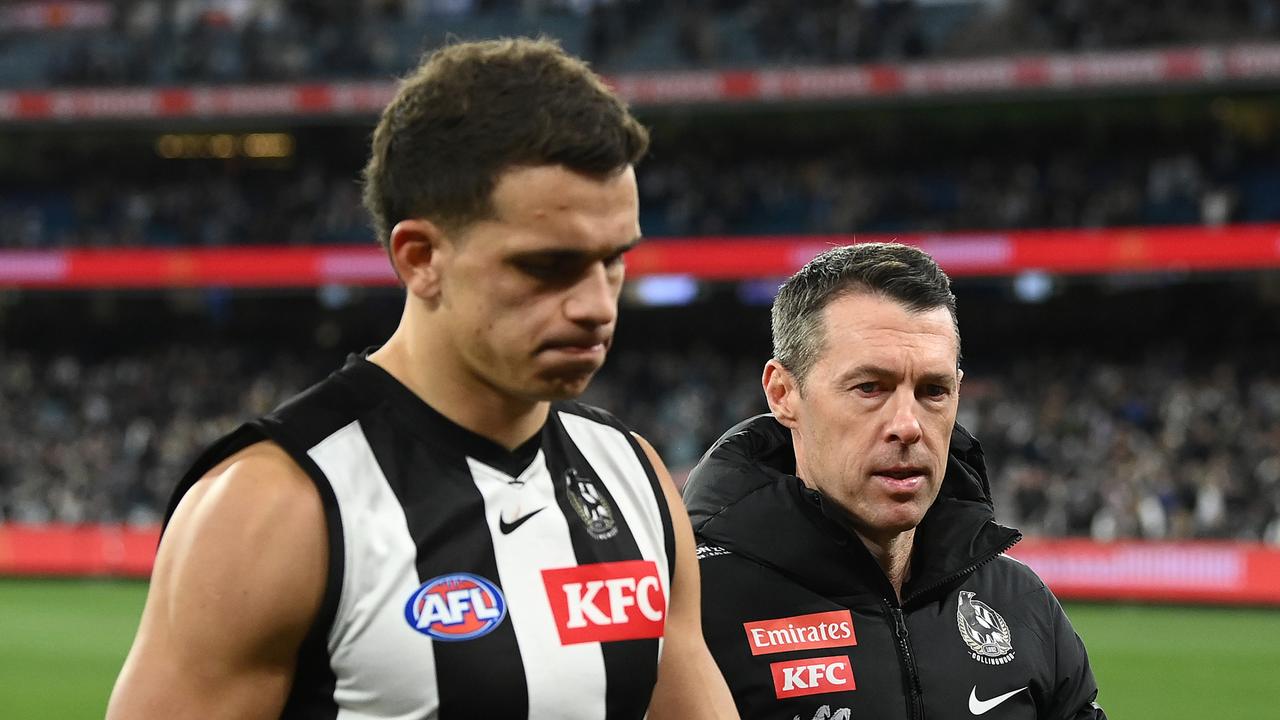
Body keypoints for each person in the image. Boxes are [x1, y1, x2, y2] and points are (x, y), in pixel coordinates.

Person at [109, 38, 737, 720]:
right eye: (546, 266)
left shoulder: (633, 477)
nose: (596, 304)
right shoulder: (274, 505)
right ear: (420, 258)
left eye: (613, 260)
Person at [683, 243, 1105, 719]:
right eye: (870, 387)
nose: (908, 425)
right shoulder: (693, 610)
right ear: (783, 394)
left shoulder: (1020, 603)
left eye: (933, 391)